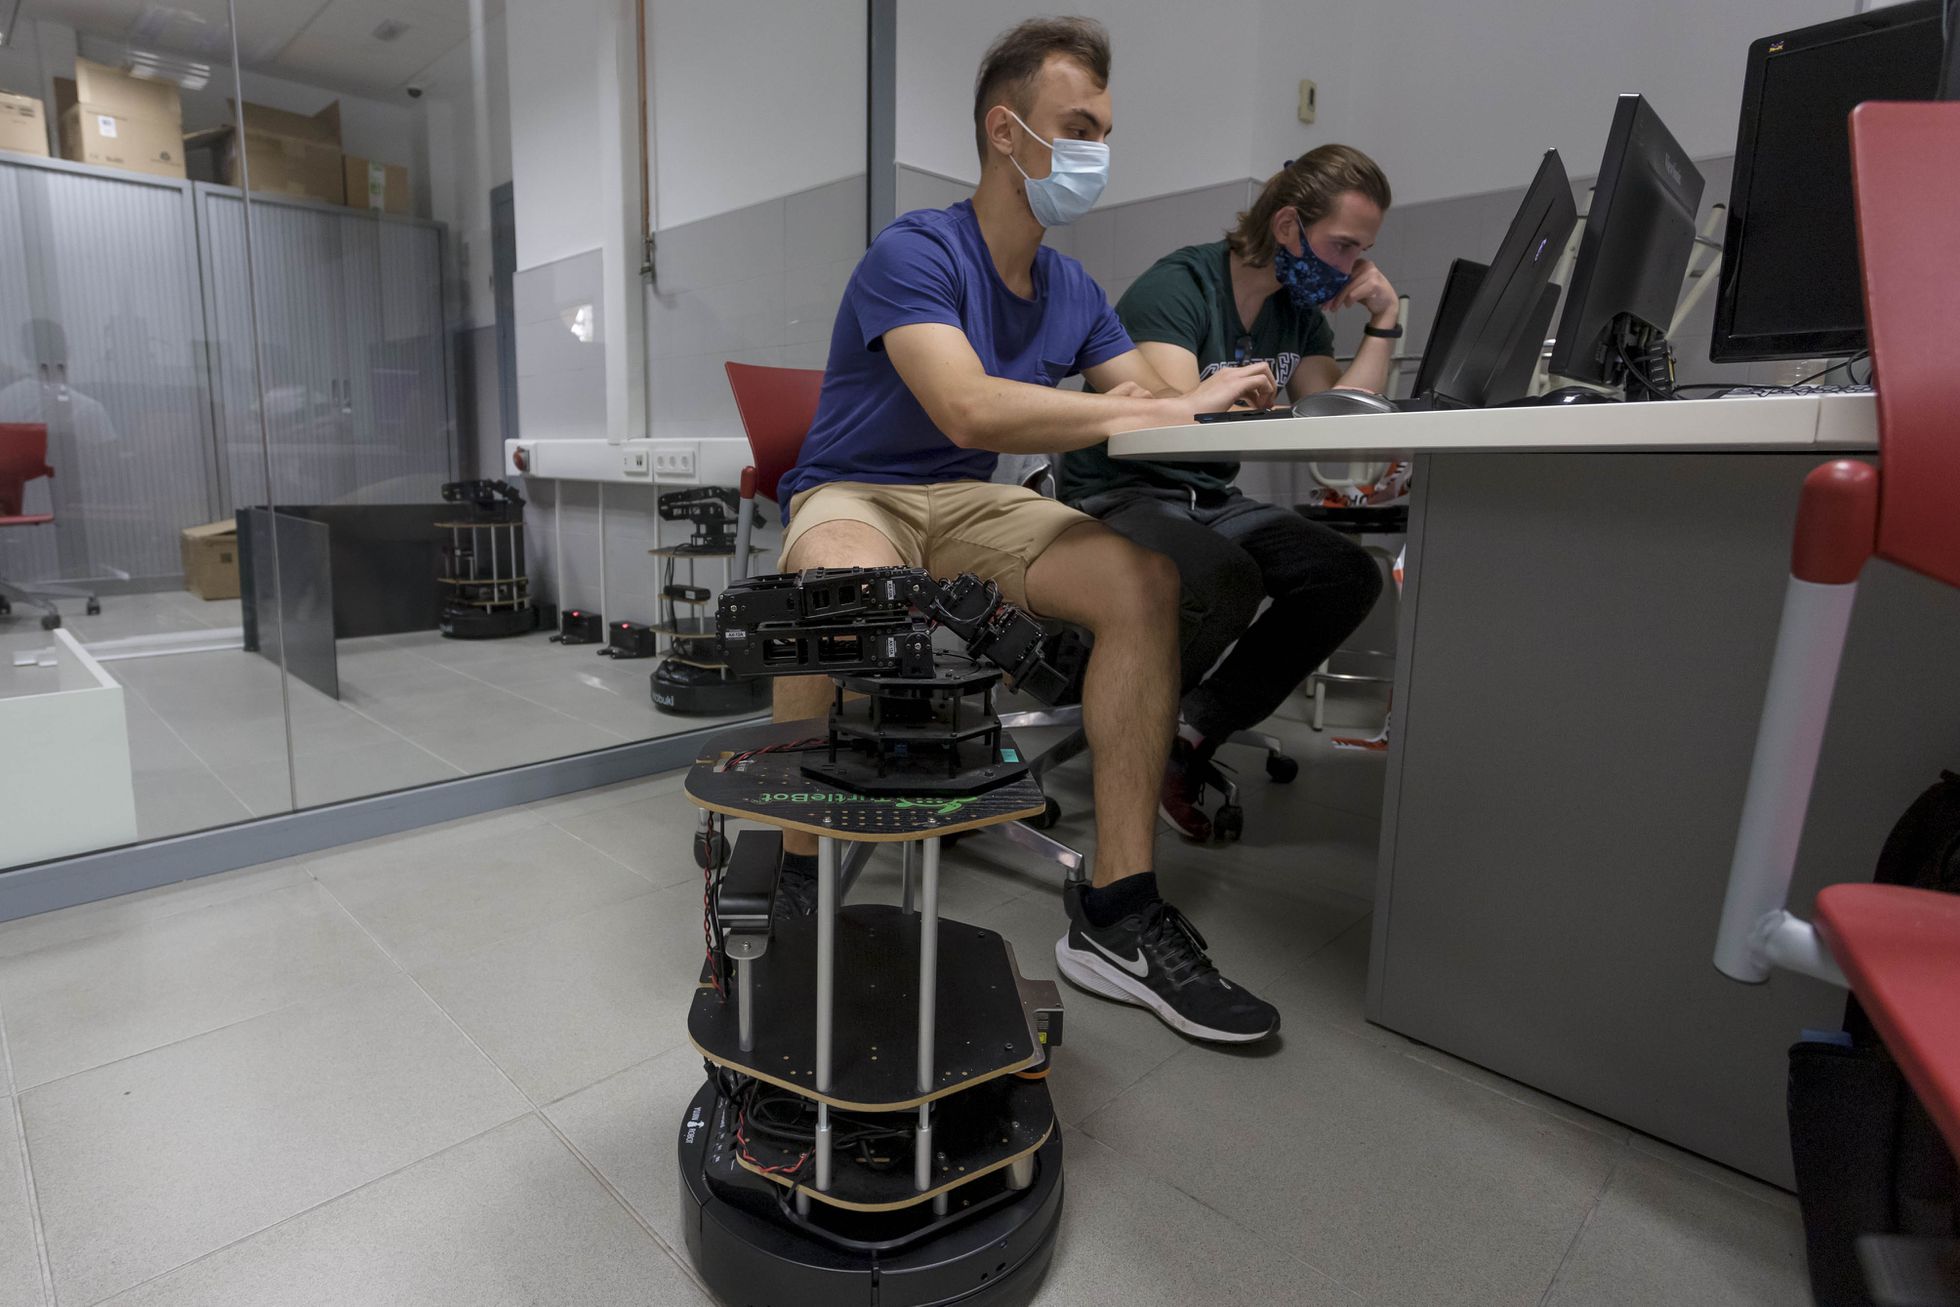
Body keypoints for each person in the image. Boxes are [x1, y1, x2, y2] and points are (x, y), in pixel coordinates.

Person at [770, 17, 1283, 1043]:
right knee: (838, 584)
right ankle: (788, 868)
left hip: (970, 502)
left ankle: (1116, 908)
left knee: (1140, 583)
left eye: (1103, 128)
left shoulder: (1074, 288)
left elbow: (1138, 386)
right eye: (1078, 126)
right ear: (1007, 133)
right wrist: (1164, 406)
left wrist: (1212, 378)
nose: (1097, 150)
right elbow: (967, 408)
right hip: (859, 487)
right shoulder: (914, 249)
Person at [1056, 148, 1397, 839]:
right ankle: (1134, 733)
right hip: (1123, 491)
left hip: (1209, 498)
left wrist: (1384, 319)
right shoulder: (1178, 287)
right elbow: (1177, 419)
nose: (1352, 267)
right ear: (1287, 228)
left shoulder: (1297, 313)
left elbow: (1337, 418)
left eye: (1363, 251)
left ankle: (1186, 730)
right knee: (1221, 574)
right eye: (1343, 245)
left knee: (1347, 574)